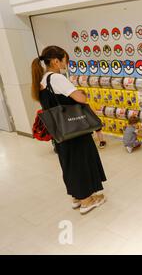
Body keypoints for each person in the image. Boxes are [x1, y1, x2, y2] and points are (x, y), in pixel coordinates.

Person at [31, 46, 107, 215]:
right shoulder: (57, 78)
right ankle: (87, 201)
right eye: (65, 59)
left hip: (60, 130)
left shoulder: (43, 79)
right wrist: (81, 93)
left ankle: (77, 198)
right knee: (80, 162)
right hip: (75, 129)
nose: (66, 63)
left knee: (69, 163)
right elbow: (79, 98)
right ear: (56, 61)